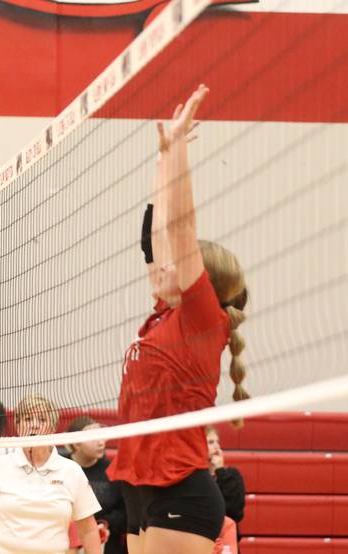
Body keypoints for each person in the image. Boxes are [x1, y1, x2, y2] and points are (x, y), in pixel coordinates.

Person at [106, 85, 250, 554]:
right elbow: (157, 235)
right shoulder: (164, 315)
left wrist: (182, 153)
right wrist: (164, 159)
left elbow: (181, 228)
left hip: (180, 488)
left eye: (175, 265)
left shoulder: (201, 320)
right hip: (139, 484)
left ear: (199, 284)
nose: (162, 266)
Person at [0, 395, 103, 554]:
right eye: (27, 419)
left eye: (42, 420)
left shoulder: (71, 471)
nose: (34, 425)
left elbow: (89, 530)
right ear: (17, 426)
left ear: (53, 428)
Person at [66, 416, 127, 554]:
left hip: (107, 541)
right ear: (76, 443)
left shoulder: (113, 471)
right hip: (65, 539)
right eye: (94, 437)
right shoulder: (62, 468)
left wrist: (105, 524)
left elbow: (125, 512)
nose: (101, 442)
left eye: (102, 436)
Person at [206, 426, 246, 541]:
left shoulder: (231, 475)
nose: (216, 446)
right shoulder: (195, 477)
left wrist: (220, 471)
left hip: (226, 540)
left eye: (217, 442)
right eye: (210, 442)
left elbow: (236, 511)